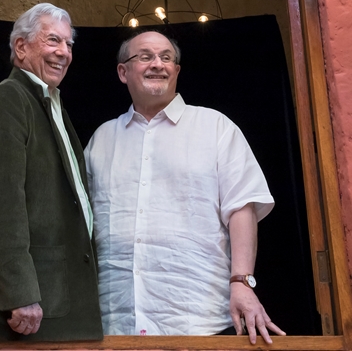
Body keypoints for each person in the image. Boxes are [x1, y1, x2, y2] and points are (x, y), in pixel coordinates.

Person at [84, 31, 286, 344]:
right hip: (116, 319)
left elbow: (241, 207)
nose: (158, 64)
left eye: (166, 58)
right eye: (146, 56)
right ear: (123, 72)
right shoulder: (102, 139)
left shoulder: (215, 127)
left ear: (176, 71)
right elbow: (81, 221)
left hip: (196, 317)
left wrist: (242, 281)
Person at [0, 3, 103, 341]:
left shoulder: (50, 103)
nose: (63, 52)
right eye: (53, 40)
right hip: (33, 305)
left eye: (69, 44)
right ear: (21, 47)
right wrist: (19, 293)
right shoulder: (8, 99)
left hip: (59, 300)